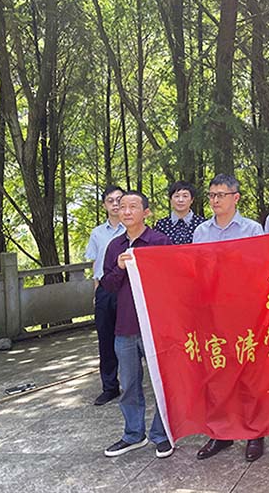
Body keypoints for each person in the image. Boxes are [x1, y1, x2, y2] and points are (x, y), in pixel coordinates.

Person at [192, 174, 266, 462]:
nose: (215, 200)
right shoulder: (201, 231)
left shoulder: (252, 229)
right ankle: (221, 433)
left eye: (220, 195)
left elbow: (260, 269)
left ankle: (255, 433)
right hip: (212, 312)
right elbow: (195, 270)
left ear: (236, 198)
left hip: (244, 311)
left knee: (249, 373)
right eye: (211, 195)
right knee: (217, 373)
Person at [101, 191, 174, 459]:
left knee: (161, 383)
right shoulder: (115, 246)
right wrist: (119, 268)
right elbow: (108, 285)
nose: (127, 211)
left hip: (154, 326)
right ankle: (133, 434)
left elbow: (171, 280)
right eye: (122, 207)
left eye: (133, 206)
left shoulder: (159, 242)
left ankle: (161, 435)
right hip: (125, 325)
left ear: (146, 212)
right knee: (129, 384)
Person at [85, 185, 125, 406]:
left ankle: (132, 384)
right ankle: (110, 387)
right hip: (105, 290)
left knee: (131, 339)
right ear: (104, 205)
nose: (116, 204)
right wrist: (96, 292)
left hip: (128, 289)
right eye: (111, 200)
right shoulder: (97, 233)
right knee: (105, 339)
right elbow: (95, 264)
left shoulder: (133, 229)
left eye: (119, 199)